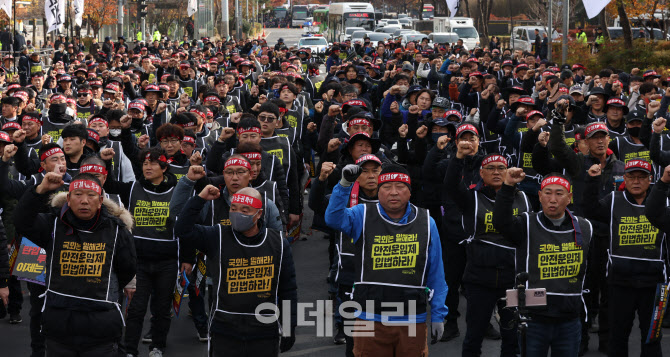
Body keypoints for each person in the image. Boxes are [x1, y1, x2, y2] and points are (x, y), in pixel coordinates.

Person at [325, 164, 448, 355]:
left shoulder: (427, 221)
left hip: (412, 319)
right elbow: (333, 219)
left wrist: (439, 314)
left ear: (409, 191)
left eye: (400, 187)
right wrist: (344, 184)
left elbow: (436, 273)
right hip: (369, 317)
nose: (393, 193)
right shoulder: (362, 214)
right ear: (378, 191)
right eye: (387, 187)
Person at [14, 172, 136, 356]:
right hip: (59, 324)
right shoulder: (52, 224)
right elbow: (21, 222)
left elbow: (126, 269)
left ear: (101, 200)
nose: (84, 201)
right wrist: (40, 190)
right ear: (68, 199)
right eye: (78, 195)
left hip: (100, 325)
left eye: (91, 195)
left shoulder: (117, 231)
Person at [174, 186, 297, 356]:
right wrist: (200, 199)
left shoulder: (278, 243)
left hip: (264, 332)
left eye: (245, 210)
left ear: (259, 214)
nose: (238, 214)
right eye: (233, 209)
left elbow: (288, 289)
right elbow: (182, 230)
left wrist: (289, 327)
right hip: (225, 331)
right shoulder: (216, 236)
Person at [494, 170, 592, 356]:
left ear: (569, 197)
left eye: (559, 193)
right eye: (547, 193)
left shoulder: (585, 227)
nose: (552, 199)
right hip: (534, 319)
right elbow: (501, 222)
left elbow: (590, 271)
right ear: (539, 196)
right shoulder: (526, 223)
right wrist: (507, 187)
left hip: (569, 320)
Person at [446, 153, 531, 357]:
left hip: (512, 279)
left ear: (508, 172)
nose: (496, 172)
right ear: (481, 173)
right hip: (479, 278)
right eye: (490, 168)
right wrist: (458, 158)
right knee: (474, 336)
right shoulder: (471, 198)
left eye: (501, 168)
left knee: (512, 337)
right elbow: (450, 184)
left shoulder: (522, 197)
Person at [584, 158, 664, 357]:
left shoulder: (663, 201)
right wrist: (593, 181)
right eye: (631, 177)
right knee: (618, 336)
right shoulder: (613, 199)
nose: (636, 181)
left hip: (654, 285)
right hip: (620, 282)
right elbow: (590, 209)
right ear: (624, 179)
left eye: (641, 177)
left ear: (650, 179)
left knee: (652, 337)